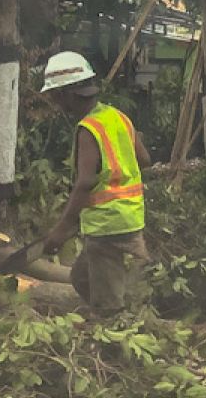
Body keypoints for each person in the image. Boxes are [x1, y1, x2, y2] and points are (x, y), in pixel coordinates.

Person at [40, 51, 150, 315]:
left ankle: (115, 330)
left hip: (106, 226)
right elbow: (144, 159)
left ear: (67, 94)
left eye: (55, 96)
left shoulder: (88, 129)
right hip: (131, 218)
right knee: (81, 277)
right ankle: (129, 311)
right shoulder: (118, 117)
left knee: (108, 307)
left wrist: (63, 228)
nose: (56, 104)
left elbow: (85, 182)